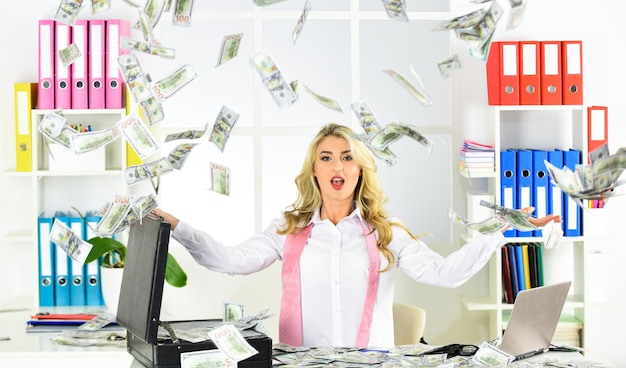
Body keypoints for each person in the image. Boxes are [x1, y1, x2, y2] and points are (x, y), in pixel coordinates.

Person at [154, 122, 560, 349]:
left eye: (348, 158)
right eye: (327, 157)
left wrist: (501, 232)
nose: (338, 166)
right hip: (301, 362)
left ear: (361, 169)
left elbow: (444, 274)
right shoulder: (289, 228)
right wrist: (178, 227)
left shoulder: (385, 232)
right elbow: (230, 260)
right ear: (314, 169)